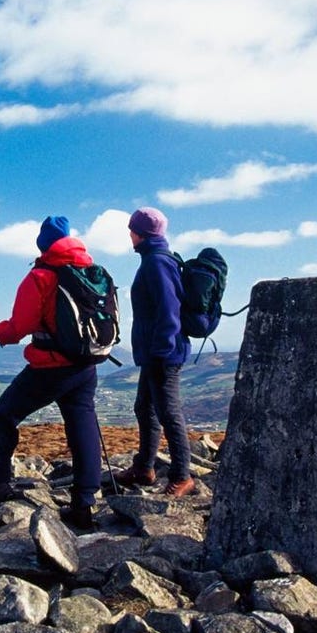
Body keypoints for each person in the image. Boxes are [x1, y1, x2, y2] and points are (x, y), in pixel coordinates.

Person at [0, 215, 102, 530]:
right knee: (82, 428)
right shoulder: (89, 271)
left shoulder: (42, 275)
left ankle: (0, 487)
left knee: (2, 416)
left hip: (50, 367)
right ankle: (84, 504)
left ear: (43, 243)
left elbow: (20, 327)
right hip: (86, 365)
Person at [115, 206, 195, 497]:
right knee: (144, 407)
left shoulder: (157, 263)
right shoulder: (153, 259)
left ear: (139, 233)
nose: (129, 235)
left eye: (131, 230)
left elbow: (169, 308)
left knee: (168, 412)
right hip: (156, 352)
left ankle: (182, 476)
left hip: (164, 352)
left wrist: (162, 349)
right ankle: (144, 468)